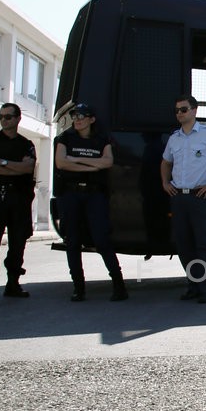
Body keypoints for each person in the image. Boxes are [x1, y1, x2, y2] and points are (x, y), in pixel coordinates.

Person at [160, 95, 206, 303]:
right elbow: (165, 162)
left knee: (204, 244)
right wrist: (165, 183)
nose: (179, 114)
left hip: (202, 197)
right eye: (177, 111)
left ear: (194, 110)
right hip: (179, 197)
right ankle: (194, 285)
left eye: (183, 109)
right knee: (184, 245)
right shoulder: (175, 138)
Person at [54, 103, 128, 301]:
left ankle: (118, 285)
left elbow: (108, 162)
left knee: (102, 240)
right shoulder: (65, 138)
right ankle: (78, 287)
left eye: (81, 116)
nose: (77, 119)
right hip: (70, 195)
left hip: (94, 195)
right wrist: (93, 165)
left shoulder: (101, 139)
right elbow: (61, 162)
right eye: (75, 116)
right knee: (73, 242)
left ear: (91, 119)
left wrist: (75, 160)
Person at [0, 103, 37, 300]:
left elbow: (28, 169)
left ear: (18, 118)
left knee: (18, 241)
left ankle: (13, 284)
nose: (4, 120)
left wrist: (1, 163)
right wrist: (13, 166)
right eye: (0, 116)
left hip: (19, 197)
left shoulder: (26, 144)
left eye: (8, 117)